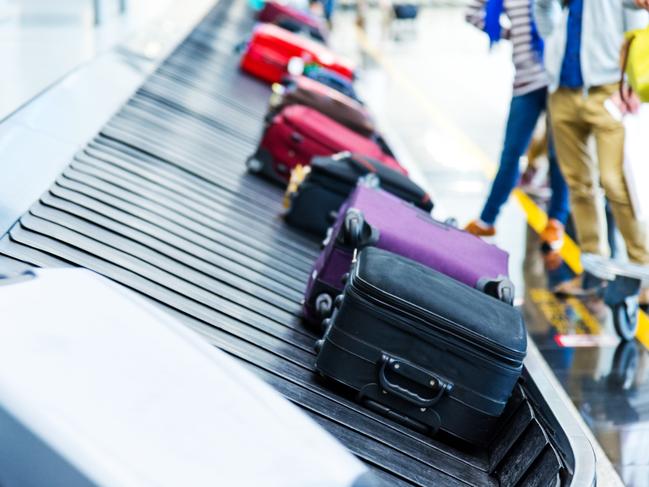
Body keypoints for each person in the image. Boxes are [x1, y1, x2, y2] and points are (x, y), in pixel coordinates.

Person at [534, 0, 649, 294]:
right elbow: (546, 21)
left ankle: (644, 269)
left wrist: (633, 81)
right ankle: (594, 274)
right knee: (579, 185)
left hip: (609, 89)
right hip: (562, 90)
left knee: (617, 182)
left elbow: (635, 10)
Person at [464, 0, 571, 261]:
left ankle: (556, 220)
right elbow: (471, 12)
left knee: (560, 156)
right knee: (511, 153)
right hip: (525, 80)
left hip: (558, 77)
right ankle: (487, 219)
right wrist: (505, 33)